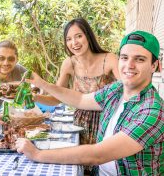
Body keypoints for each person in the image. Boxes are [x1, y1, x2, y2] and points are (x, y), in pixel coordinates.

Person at [15, 30, 163, 176]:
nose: (129, 65)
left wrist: (37, 154)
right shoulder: (116, 90)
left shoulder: (153, 111)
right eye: (124, 58)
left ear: (154, 65)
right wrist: (42, 84)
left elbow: (97, 155)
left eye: (139, 59)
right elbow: (80, 99)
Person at [35, 18, 119, 146]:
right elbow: (56, 98)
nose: (74, 42)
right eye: (68, 39)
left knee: (103, 164)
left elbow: (127, 90)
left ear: (88, 36)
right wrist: (34, 97)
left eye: (78, 36)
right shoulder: (69, 63)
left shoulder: (110, 59)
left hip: (107, 123)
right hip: (80, 126)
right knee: (81, 164)